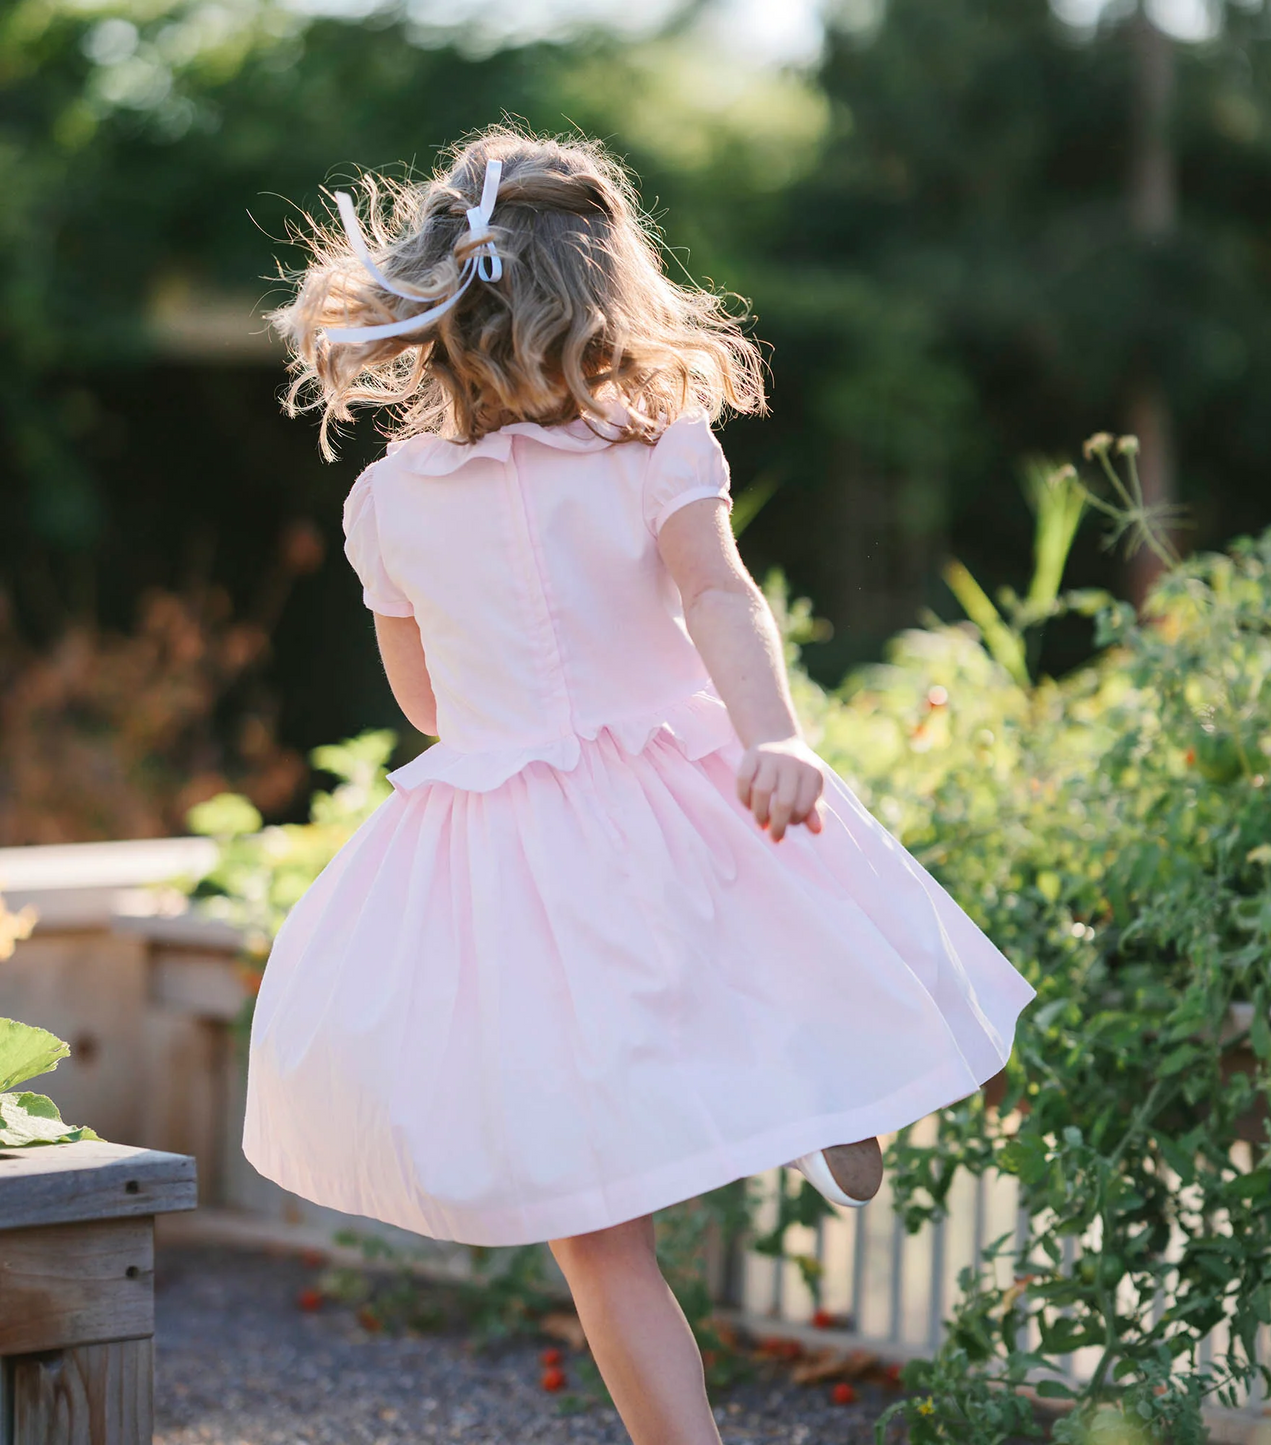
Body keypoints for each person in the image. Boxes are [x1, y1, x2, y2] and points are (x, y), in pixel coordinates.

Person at [243, 125, 1033, 1445]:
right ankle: (845, 1099)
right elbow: (720, 597)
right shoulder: (657, 449)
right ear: (609, 304)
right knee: (760, 948)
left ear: (435, 318)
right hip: (671, 783)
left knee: (599, 1237)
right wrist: (773, 735)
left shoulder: (388, 500)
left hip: (499, 839)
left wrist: (514, 713)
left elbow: (428, 705)